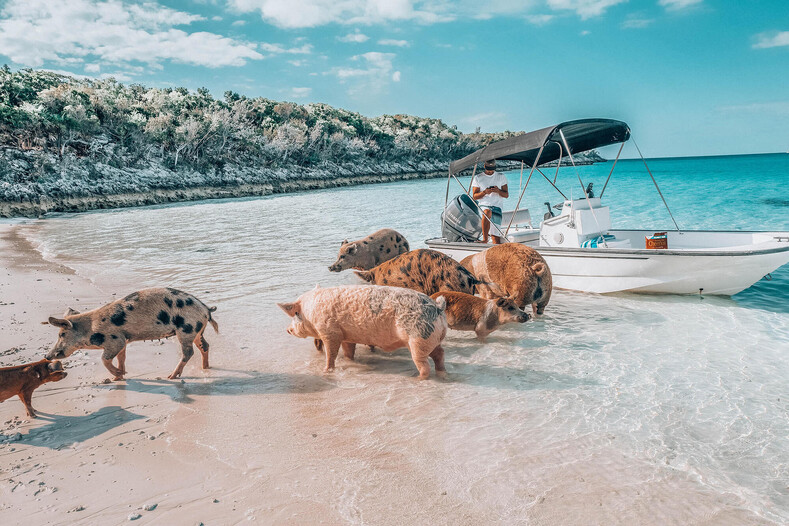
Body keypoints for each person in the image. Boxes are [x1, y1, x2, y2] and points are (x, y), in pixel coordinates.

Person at [471, 159, 508, 244]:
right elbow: (475, 196)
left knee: (495, 238)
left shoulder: (501, 176)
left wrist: (498, 191)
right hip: (484, 206)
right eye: (488, 169)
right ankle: (485, 239)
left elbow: (506, 195)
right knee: (487, 212)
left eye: (492, 169)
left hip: (497, 207)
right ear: (484, 166)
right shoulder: (478, 178)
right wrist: (484, 192)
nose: (490, 171)